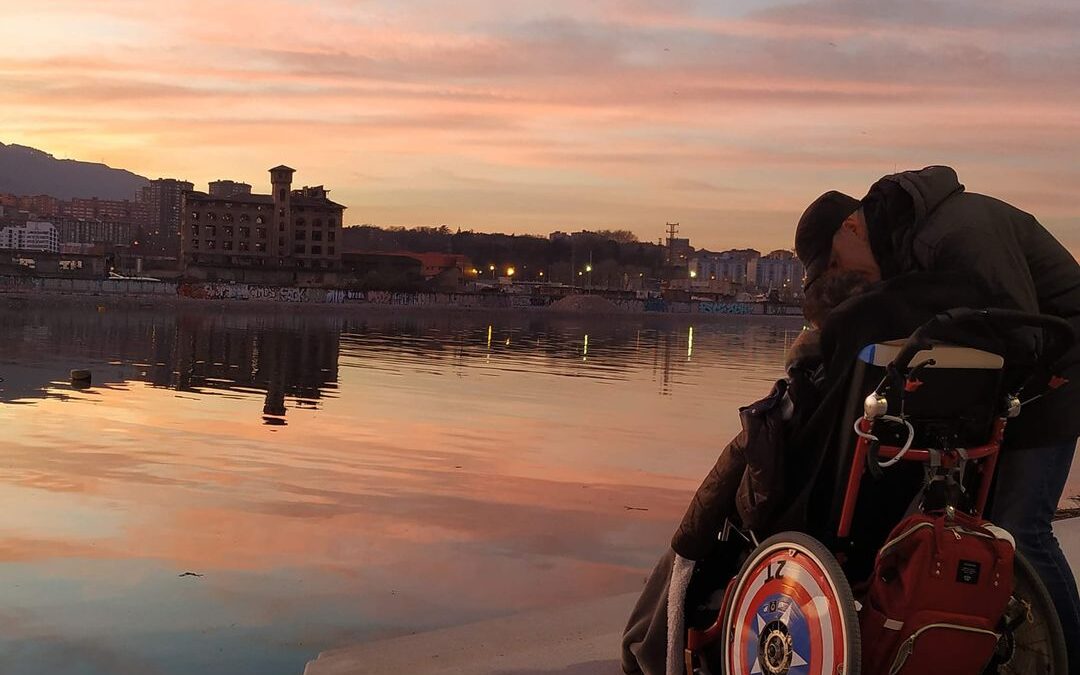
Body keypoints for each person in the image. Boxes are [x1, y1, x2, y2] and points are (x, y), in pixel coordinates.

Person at [796, 166, 1080, 672]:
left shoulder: (958, 230)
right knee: (980, 526)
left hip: (1061, 370)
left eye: (839, 262)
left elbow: (1021, 333)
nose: (849, 277)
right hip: (1018, 380)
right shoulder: (911, 241)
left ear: (853, 227)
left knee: (1023, 528)